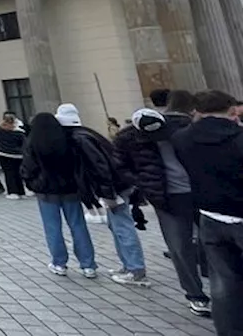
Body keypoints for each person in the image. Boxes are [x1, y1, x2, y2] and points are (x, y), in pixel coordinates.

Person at [114, 101, 209, 317]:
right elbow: (119, 166)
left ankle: (213, 279)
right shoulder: (127, 140)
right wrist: (143, 183)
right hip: (166, 198)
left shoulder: (182, 127)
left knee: (210, 241)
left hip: (200, 192)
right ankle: (195, 295)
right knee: (179, 247)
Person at [172, 90, 243, 335]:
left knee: (223, 284)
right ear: (232, 111)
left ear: (197, 112)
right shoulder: (238, 137)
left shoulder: (182, 139)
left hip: (210, 216)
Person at [57, 103, 148, 286]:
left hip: (114, 186)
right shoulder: (86, 134)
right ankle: (128, 265)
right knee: (117, 226)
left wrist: (107, 193)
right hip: (117, 184)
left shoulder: (79, 139)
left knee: (122, 227)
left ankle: (136, 269)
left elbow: (99, 167)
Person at [20, 112, 97, 278]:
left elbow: (28, 167)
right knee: (78, 225)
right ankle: (88, 265)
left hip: (46, 190)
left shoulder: (33, 142)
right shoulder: (68, 140)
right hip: (70, 189)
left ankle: (59, 263)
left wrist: (32, 183)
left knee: (52, 228)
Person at [0, 112, 28, 200]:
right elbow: (24, 144)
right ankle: (21, 192)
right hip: (18, 155)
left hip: (4, 154)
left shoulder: (0, 130)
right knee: (18, 173)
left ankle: (12, 192)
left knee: (9, 173)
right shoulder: (20, 132)